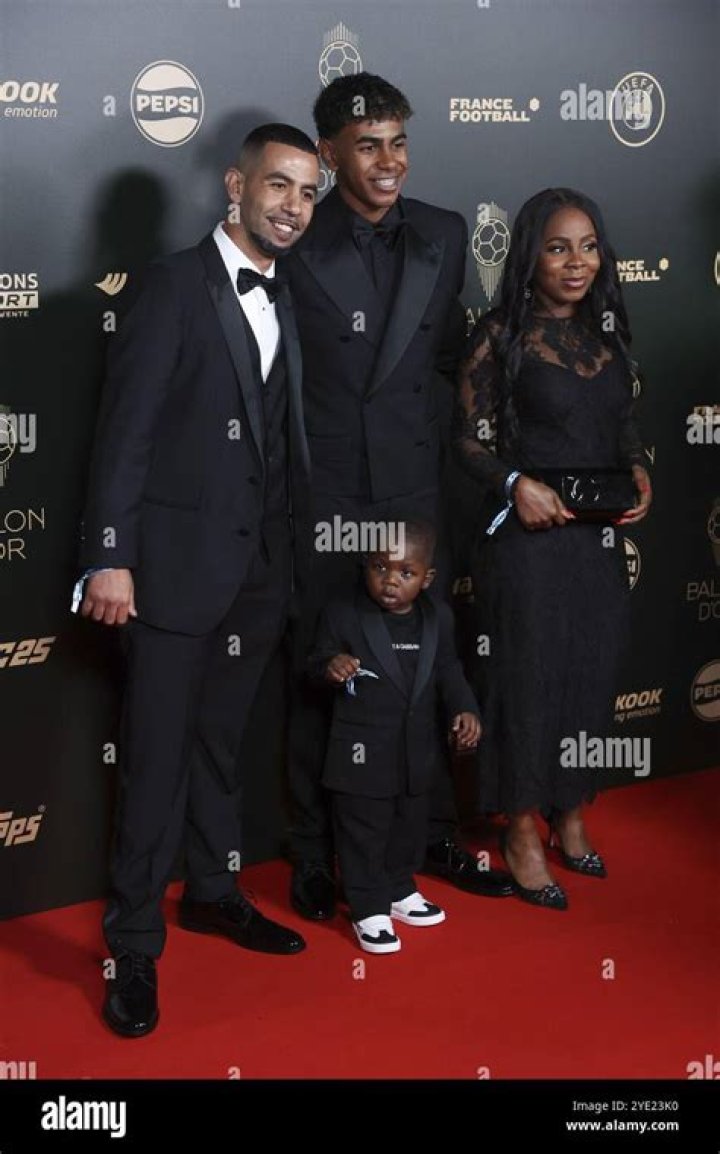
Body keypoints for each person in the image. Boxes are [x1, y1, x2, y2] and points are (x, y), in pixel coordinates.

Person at [76, 124, 320, 1036]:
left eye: (308, 192)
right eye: (278, 185)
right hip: (173, 571)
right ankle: (134, 946)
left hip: (258, 575)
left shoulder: (290, 293)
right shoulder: (170, 285)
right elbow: (126, 429)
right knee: (155, 760)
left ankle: (214, 891)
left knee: (221, 748)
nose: (293, 206)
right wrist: (109, 554)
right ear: (235, 185)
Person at [284, 72, 513, 919]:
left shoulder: (444, 233)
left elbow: (450, 360)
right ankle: (314, 854)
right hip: (332, 495)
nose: (389, 162)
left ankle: (428, 836)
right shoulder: (294, 236)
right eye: (368, 145)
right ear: (328, 153)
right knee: (329, 669)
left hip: (415, 490)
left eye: (399, 143)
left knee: (423, 669)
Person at [452, 187, 652, 910]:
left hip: (595, 541)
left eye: (588, 247)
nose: (576, 263)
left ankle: (568, 810)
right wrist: (514, 485)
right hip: (526, 542)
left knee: (587, 675)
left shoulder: (605, 331)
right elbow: (466, 439)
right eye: (558, 248)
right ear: (529, 256)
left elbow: (621, 424)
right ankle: (519, 829)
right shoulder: (500, 335)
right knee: (526, 681)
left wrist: (639, 468)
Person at [308, 521, 481, 953]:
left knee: (408, 825)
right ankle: (368, 907)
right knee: (364, 832)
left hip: (416, 753)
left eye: (406, 572)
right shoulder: (343, 613)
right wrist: (331, 665)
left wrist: (465, 709)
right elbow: (314, 662)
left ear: (427, 578)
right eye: (380, 567)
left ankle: (399, 889)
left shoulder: (438, 617)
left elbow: (449, 670)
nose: (390, 580)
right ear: (365, 566)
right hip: (360, 756)